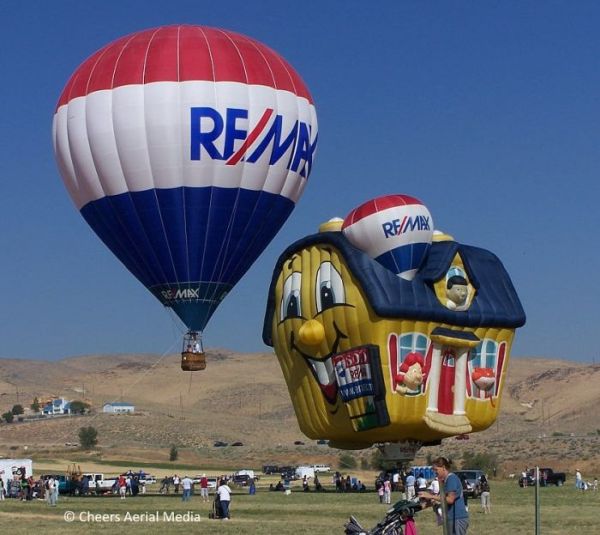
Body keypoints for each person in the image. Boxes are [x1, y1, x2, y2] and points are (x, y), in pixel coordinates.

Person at [419, 457, 469, 535]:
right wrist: (419, 506)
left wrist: (431, 496)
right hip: (450, 518)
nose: (435, 472)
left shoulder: (451, 478)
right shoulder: (445, 481)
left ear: (443, 468)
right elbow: (440, 499)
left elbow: (450, 499)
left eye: (436, 470)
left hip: (457, 518)